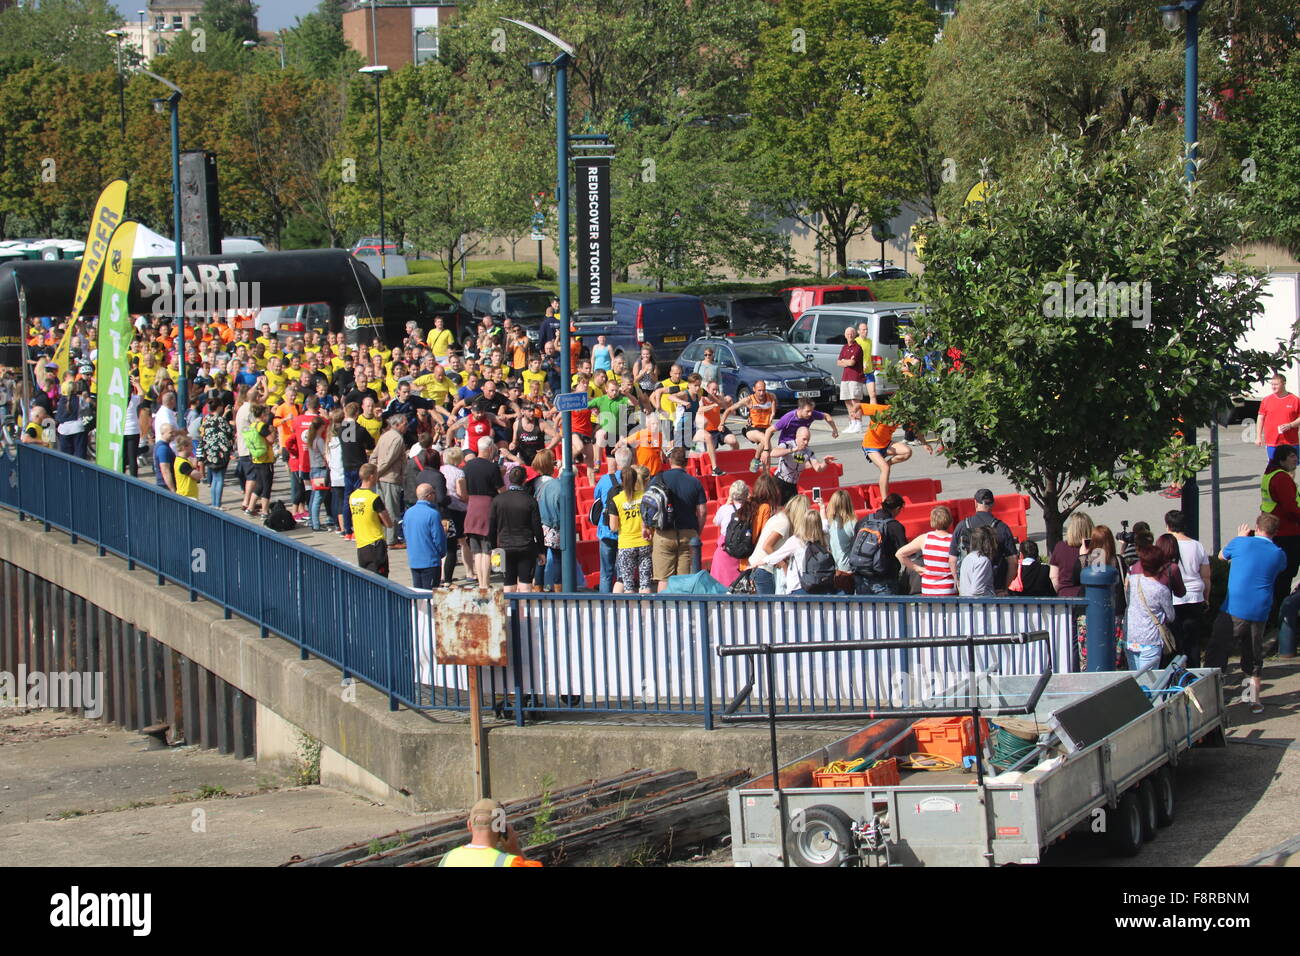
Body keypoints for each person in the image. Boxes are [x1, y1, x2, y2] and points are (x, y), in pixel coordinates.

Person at [1207, 514, 1286, 714]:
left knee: (1218, 649)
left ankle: (1212, 698)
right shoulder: (1278, 554)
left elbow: (1221, 556)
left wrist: (1241, 537)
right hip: (1259, 610)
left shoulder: (1240, 543)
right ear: (1275, 533)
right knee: (1253, 653)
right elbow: (1279, 569)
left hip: (1233, 608)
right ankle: (1253, 700)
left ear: (1256, 528)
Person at [650, 446, 708, 591]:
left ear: (670, 461)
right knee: (685, 580)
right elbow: (702, 512)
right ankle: (684, 612)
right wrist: (696, 532)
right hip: (688, 534)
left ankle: (663, 612)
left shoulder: (658, 479)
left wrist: (647, 528)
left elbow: (648, 504)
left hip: (663, 533)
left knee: (663, 580)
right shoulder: (695, 482)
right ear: (686, 462)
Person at [1163, 509, 1210, 665]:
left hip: (1173, 598)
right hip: (1195, 596)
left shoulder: (1165, 545)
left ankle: (1174, 676)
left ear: (1168, 526)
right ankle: (1193, 674)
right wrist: (1206, 597)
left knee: (1174, 640)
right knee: (1193, 641)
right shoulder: (1197, 546)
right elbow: (1206, 576)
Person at [948, 489, 1019, 590]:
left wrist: (959, 583)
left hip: (968, 588)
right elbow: (1013, 562)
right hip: (995, 587)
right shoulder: (1002, 528)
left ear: (975, 503)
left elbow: (952, 560)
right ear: (993, 504)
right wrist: (1004, 587)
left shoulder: (962, 526)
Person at [1260, 444, 1300, 620]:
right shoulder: (1281, 478)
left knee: (1278, 574)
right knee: (1286, 573)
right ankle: (1281, 613)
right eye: (1292, 456)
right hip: (1287, 531)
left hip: (1276, 530)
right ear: (1282, 459)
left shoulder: (1271, 473)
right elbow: (1291, 508)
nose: (1296, 459)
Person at [439, 798, 539, 867]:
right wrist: (515, 850)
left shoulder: (447, 859)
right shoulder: (507, 863)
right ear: (501, 827)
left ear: (469, 825)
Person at [489, 466, 543, 593]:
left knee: (508, 581)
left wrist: (493, 548)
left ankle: (510, 610)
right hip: (526, 546)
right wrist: (541, 550)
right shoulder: (530, 501)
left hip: (504, 546)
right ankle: (525, 611)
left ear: (509, 479)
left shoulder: (498, 500)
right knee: (525, 582)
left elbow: (492, 527)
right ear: (524, 480)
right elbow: (537, 528)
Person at [751, 510, 828, 595]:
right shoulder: (824, 537)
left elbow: (777, 555)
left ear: (803, 524)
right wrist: (822, 510)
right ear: (819, 524)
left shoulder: (796, 540)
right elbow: (825, 525)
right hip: (820, 586)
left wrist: (758, 562)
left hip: (799, 587)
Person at [1126, 545, 1176, 674]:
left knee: (1135, 679)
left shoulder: (1132, 580)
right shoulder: (1161, 589)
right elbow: (1171, 616)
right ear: (1161, 566)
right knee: (1149, 683)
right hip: (1151, 640)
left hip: (1131, 638)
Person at [463, 436, 504, 588]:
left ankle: (481, 583)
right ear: (489, 449)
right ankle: (486, 584)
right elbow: (501, 490)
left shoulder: (467, 466)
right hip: (487, 507)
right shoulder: (492, 467)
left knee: (476, 550)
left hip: (472, 506)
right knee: (487, 549)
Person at [593, 446, 632, 592]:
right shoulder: (634, 479)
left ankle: (605, 606)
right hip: (626, 530)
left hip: (606, 529)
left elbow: (596, 497)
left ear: (616, 462)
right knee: (623, 574)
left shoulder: (605, 480)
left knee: (606, 573)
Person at [609, 465, 653, 593]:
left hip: (626, 544)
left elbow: (613, 527)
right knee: (645, 584)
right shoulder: (644, 496)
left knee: (627, 585)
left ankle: (630, 612)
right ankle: (646, 611)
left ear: (621, 481)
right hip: (644, 542)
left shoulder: (616, 500)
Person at [852, 493, 907, 595]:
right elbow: (904, 551)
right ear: (897, 508)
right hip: (884, 579)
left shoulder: (863, 521)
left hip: (861, 577)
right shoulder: (895, 527)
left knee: (865, 610)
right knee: (888, 610)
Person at [897, 504, 956, 597]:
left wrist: (917, 568)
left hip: (928, 589)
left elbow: (899, 554)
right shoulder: (953, 540)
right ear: (950, 521)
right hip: (948, 589)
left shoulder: (925, 538)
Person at [743, 474, 788, 594]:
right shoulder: (766, 508)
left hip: (749, 559)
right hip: (761, 564)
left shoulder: (750, 504)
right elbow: (765, 540)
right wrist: (783, 565)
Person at [858, 401, 911, 499]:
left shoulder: (903, 416)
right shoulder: (881, 410)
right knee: (885, 469)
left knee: (907, 452)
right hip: (871, 446)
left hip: (886, 444)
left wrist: (925, 444)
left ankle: (887, 463)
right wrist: (854, 414)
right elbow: (858, 405)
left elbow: (915, 428)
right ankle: (884, 500)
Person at [349, 463, 393, 578]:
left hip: (361, 544)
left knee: (367, 579)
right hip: (375, 543)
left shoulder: (353, 496)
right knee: (381, 578)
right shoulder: (374, 498)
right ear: (372, 476)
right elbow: (388, 523)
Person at [372, 413, 408, 548]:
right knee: (391, 510)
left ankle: (385, 536)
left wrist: (374, 471)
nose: (406, 426)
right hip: (391, 478)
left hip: (381, 478)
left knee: (382, 509)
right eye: (405, 424)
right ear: (397, 425)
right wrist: (377, 472)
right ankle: (391, 540)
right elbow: (389, 460)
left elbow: (374, 455)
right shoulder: (397, 438)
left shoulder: (384, 435)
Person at [769, 425, 828, 503]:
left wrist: (825, 462)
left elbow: (818, 468)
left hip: (792, 486)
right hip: (779, 482)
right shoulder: (787, 445)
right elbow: (773, 453)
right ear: (797, 436)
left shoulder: (808, 451)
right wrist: (793, 450)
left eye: (808, 440)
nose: (806, 442)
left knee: (794, 511)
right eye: (804, 439)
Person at [405, 483, 448, 590]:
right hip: (430, 561)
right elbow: (438, 539)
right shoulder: (433, 514)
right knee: (430, 595)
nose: (435, 495)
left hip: (414, 560)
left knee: (419, 595)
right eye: (433, 493)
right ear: (428, 496)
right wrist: (441, 553)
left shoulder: (408, 513)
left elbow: (406, 534)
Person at [710, 480, 751, 589]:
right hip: (744, 553)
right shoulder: (752, 510)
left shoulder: (725, 509)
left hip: (725, 549)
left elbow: (715, 521)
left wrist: (727, 503)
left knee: (720, 590)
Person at [1256, 373, 1300, 464]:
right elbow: (1260, 418)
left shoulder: (1295, 400)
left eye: (1276, 384)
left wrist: (1290, 425)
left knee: (1290, 467)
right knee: (1274, 467)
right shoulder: (1266, 400)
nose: (1273, 387)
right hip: (1272, 441)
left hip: (1291, 441)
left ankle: (1288, 479)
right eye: (1272, 384)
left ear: (1284, 384)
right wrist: (1258, 436)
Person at [441, 445, 470, 583]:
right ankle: (470, 571)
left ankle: (443, 574)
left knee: (446, 541)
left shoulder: (440, 470)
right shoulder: (459, 473)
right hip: (458, 509)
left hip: (445, 509)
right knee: (463, 541)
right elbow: (462, 494)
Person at [820, 488, 858, 594]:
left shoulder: (831, 522)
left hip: (835, 570)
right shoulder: (853, 523)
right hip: (847, 570)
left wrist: (823, 509)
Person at [198, 400, 233, 509]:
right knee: (219, 478)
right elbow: (230, 433)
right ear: (218, 407)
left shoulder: (205, 420)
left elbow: (202, 434)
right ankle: (218, 504)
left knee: (214, 478)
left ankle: (213, 503)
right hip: (220, 452)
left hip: (209, 452)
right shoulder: (222, 420)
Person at [1049, 511, 1094, 597]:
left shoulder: (1060, 547)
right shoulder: (1095, 548)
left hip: (1065, 594)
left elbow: (1053, 576)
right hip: (1088, 595)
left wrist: (1060, 590)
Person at [837, 325, 865, 433]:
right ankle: (852, 422)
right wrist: (846, 360)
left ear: (855, 335)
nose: (850, 335)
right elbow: (838, 362)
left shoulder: (857, 348)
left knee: (855, 400)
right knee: (847, 401)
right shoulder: (844, 347)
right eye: (848, 334)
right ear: (845, 335)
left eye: (852, 333)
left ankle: (858, 423)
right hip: (845, 378)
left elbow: (852, 363)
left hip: (855, 377)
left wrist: (845, 361)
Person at [958, 525, 998, 596]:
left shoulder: (967, 558)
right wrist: (993, 594)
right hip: (978, 605)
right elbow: (977, 590)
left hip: (966, 604)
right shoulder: (983, 560)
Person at [171, 434, 202, 500]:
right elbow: (198, 476)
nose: (192, 447)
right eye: (191, 445)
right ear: (185, 447)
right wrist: (195, 465)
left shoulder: (181, 460)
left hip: (188, 495)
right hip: (187, 496)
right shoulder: (183, 464)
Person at [153, 423, 177, 492]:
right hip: (165, 486)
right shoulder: (163, 448)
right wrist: (172, 489)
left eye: (174, 432)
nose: (173, 434)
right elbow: (165, 470)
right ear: (163, 433)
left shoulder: (163, 446)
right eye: (170, 433)